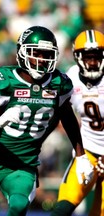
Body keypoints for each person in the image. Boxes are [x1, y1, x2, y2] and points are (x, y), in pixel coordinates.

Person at [0, 25, 94, 216]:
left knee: (19, 205)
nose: (41, 60)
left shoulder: (58, 83)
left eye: (46, 54)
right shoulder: (6, 80)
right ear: (22, 53)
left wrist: (80, 156)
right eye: (36, 53)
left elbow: (68, 118)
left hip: (24, 165)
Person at [51, 29, 104, 216]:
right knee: (62, 207)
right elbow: (57, 111)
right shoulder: (71, 77)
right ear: (77, 57)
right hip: (87, 152)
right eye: (87, 57)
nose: (92, 62)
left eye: (97, 56)